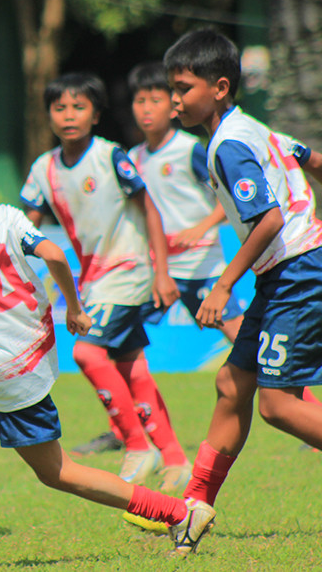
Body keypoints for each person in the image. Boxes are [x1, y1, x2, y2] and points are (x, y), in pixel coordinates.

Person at [0, 131, 201, 543]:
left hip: (4, 367)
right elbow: (55, 254)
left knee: (57, 472)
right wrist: (74, 309)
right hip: (30, 348)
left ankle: (176, 512)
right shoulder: (5, 215)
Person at [156, 28, 322, 554]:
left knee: (277, 405)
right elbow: (310, 157)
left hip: (299, 268)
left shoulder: (227, 146)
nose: (173, 99)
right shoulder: (250, 129)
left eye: (183, 88)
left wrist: (223, 285)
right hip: (287, 270)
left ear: (220, 87)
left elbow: (268, 219)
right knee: (232, 384)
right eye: (171, 88)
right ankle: (193, 506)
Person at [69, 62, 247, 474]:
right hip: (151, 274)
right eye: (139, 100)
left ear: (173, 105)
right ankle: (126, 429)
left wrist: (200, 227)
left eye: (156, 99)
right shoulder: (129, 158)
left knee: (244, 343)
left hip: (200, 267)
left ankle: (304, 403)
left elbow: (229, 198)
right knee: (113, 348)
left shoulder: (191, 149)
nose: (146, 108)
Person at [19, 71, 189, 493]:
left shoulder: (111, 156)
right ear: (49, 116)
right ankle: (175, 458)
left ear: (96, 115)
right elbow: (25, 228)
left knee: (88, 353)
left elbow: (149, 209)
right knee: (131, 365)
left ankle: (136, 444)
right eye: (60, 108)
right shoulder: (43, 168)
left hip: (130, 268)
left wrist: (162, 272)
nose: (69, 115)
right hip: (94, 278)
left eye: (79, 107)